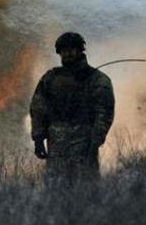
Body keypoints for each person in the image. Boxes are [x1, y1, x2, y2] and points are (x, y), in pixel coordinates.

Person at [29, 32, 115, 183]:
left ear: (79, 50)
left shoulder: (97, 79)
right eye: (63, 50)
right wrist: (38, 138)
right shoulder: (50, 78)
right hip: (56, 145)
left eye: (71, 49)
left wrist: (96, 140)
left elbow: (104, 112)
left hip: (84, 144)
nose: (67, 54)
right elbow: (38, 108)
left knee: (86, 189)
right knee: (55, 189)